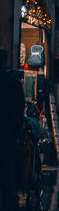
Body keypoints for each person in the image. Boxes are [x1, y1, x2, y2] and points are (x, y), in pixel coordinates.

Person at [0, 49, 25, 201]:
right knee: (7, 164)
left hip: (7, 129)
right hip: (8, 130)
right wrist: (16, 129)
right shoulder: (12, 81)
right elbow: (20, 106)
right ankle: (9, 196)